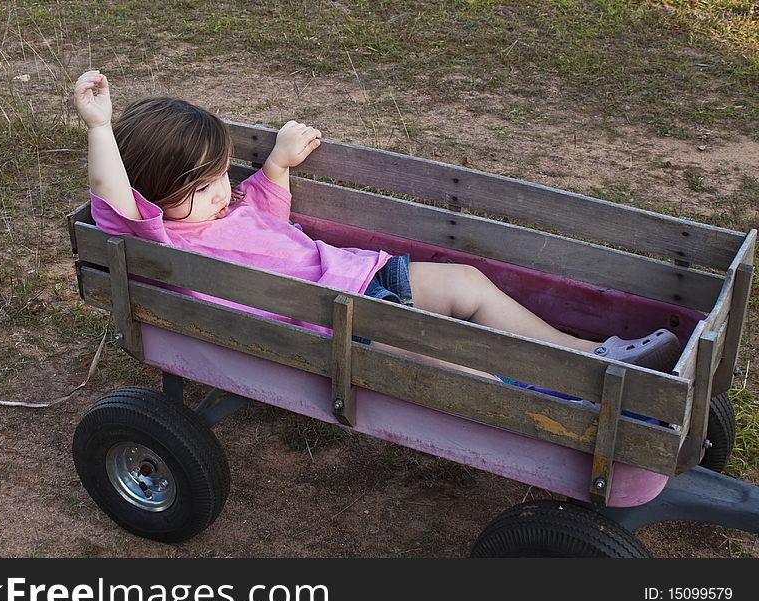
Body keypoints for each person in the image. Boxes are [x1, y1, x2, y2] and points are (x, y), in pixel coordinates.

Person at [73, 69, 681, 374]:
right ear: (151, 198)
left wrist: (279, 161)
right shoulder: (155, 236)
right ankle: (575, 375)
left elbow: (264, 200)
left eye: (221, 176)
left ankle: (592, 357)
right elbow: (110, 189)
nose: (219, 194)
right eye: (200, 189)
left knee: (467, 284)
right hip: (336, 322)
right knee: (454, 361)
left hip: (365, 280)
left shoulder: (229, 210)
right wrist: (101, 127)